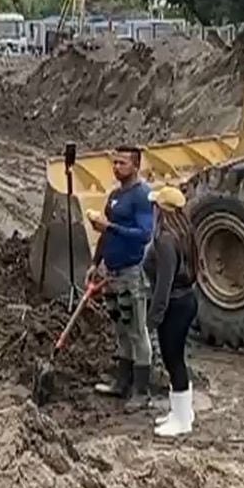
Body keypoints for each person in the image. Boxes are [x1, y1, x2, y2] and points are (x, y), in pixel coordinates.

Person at [86, 146, 156, 409]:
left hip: (131, 272)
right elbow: (105, 234)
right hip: (112, 273)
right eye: (114, 162)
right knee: (121, 330)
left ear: (136, 165)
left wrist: (111, 227)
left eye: (122, 163)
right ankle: (122, 383)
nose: (116, 167)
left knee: (137, 331)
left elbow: (145, 234)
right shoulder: (115, 196)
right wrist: (95, 263)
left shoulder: (142, 196)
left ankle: (141, 392)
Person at [145, 188, 199, 437]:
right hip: (187, 300)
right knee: (177, 359)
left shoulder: (165, 240)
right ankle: (181, 411)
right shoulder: (185, 232)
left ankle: (182, 421)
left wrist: (153, 319)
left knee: (173, 360)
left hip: (174, 306)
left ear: (161, 210)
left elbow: (163, 286)